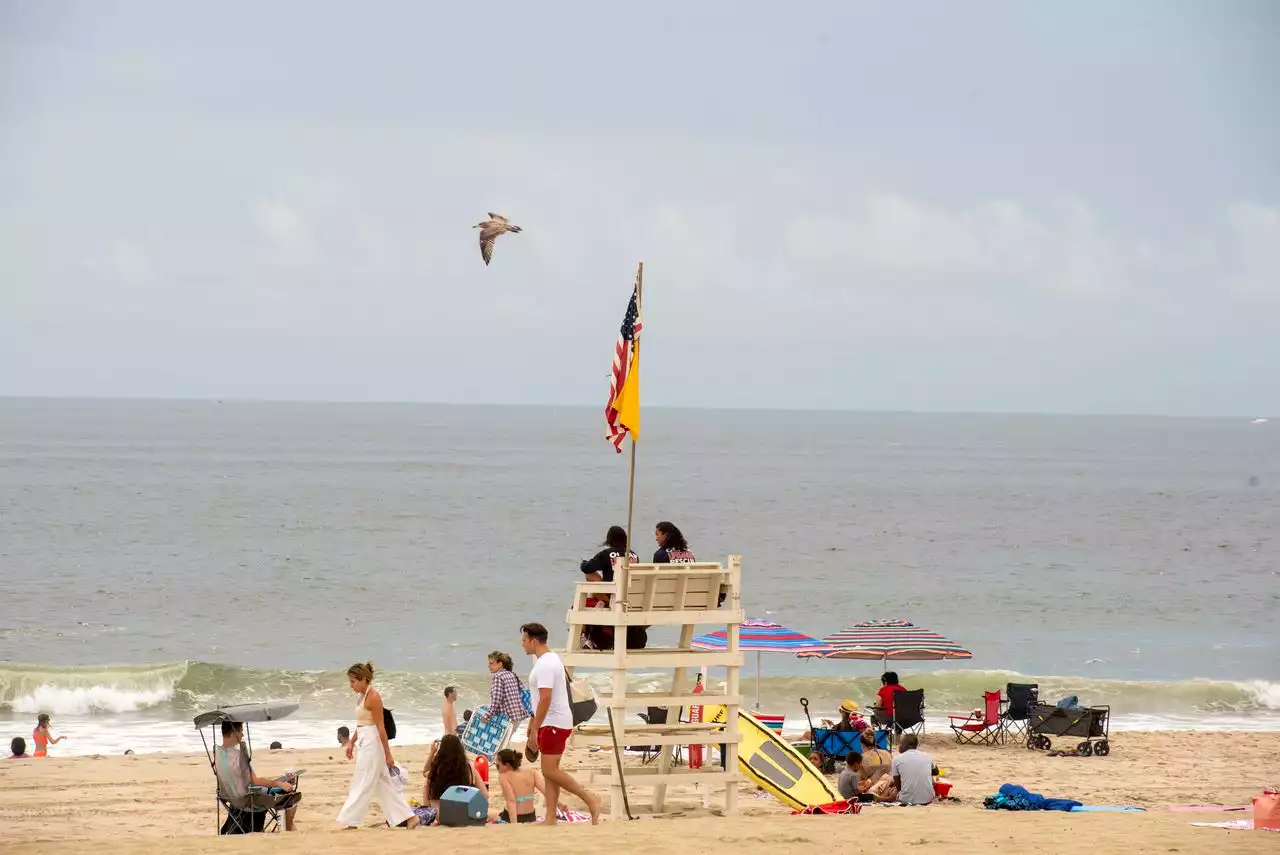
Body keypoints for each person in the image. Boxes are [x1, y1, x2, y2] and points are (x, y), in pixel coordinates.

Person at [521, 622, 601, 825]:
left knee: (549, 770)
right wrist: (533, 721)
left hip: (553, 722)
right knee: (550, 771)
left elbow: (546, 698)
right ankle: (550, 818)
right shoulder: (549, 659)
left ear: (533, 640)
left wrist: (536, 728)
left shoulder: (546, 664)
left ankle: (589, 799)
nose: (522, 645)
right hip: (554, 721)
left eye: (524, 641)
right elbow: (540, 698)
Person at [335, 662, 419, 829]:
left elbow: (380, 727)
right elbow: (362, 723)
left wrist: (388, 754)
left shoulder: (373, 697)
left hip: (373, 743)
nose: (351, 685)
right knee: (383, 782)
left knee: (363, 780)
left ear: (364, 679)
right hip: (364, 740)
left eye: (353, 681)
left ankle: (351, 820)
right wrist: (351, 742)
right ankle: (410, 818)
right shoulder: (361, 696)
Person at [214, 720, 302, 833]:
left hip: (231, 798)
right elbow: (255, 781)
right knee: (291, 793)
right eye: (240, 731)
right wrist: (279, 784)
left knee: (278, 786)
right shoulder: (238, 757)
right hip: (247, 799)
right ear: (232, 733)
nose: (242, 735)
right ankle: (289, 829)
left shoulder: (219, 754)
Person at [579, 526, 639, 651]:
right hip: (630, 599)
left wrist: (583, 562)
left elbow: (587, 568)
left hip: (613, 597)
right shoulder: (634, 555)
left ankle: (584, 636)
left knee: (590, 576)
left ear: (609, 540)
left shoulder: (606, 554)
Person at [415, 734, 489, 826]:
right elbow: (485, 795)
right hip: (466, 814)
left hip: (442, 817)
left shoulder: (436, 768)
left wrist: (431, 753)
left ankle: (428, 812)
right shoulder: (468, 767)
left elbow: (425, 772)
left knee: (427, 782)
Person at [495, 748, 553, 823]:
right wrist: (559, 803)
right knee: (496, 814)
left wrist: (514, 825)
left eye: (498, 762)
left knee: (493, 814)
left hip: (512, 817)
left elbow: (511, 801)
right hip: (530, 817)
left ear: (507, 765)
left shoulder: (503, 776)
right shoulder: (531, 772)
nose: (495, 763)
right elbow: (546, 791)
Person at [886, 733, 939, 805]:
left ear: (906, 744)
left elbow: (898, 787)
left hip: (906, 800)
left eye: (901, 743)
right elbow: (936, 772)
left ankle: (878, 798)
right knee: (929, 776)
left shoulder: (897, 759)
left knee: (892, 790)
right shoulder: (927, 756)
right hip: (928, 799)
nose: (899, 746)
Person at [485, 651, 530, 725]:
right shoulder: (513, 675)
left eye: (491, 663)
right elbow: (524, 692)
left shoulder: (498, 676)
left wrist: (487, 715)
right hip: (517, 717)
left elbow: (496, 700)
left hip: (506, 719)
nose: (488, 666)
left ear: (500, 664)